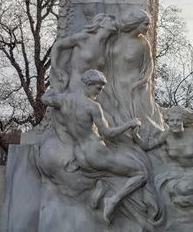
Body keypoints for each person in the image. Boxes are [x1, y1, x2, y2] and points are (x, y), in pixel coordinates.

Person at [42, 69, 147, 226]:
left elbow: (45, 99)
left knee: (109, 171)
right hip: (95, 152)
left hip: (79, 155)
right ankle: (113, 200)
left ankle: (101, 186)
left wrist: (53, 90)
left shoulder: (64, 100)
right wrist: (129, 124)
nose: (99, 93)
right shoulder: (92, 107)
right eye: (98, 88)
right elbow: (109, 133)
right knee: (141, 172)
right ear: (88, 85)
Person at [50, 13, 118, 92]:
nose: (114, 23)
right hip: (78, 85)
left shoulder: (107, 46)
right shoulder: (84, 38)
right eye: (110, 21)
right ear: (102, 24)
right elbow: (58, 45)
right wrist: (55, 67)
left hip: (95, 90)